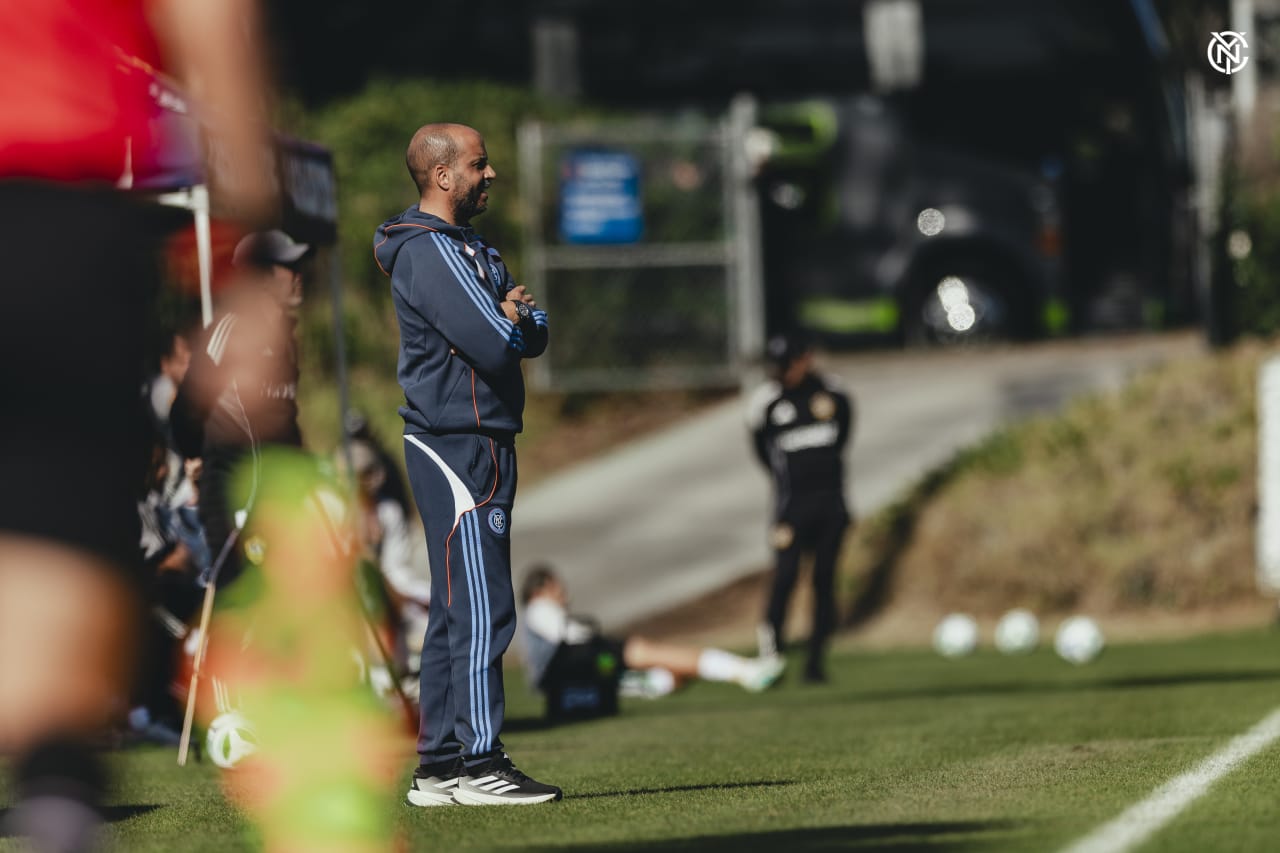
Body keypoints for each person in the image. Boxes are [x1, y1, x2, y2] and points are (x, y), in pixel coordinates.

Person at [0, 0, 274, 849]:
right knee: (63, 526)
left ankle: (56, 786)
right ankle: (57, 788)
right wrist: (244, 253)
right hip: (52, 207)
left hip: (52, 212)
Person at [374, 122, 558, 807]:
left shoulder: (473, 246)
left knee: (457, 610)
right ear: (443, 175)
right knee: (484, 605)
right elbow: (494, 337)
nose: (491, 174)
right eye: (479, 164)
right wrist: (511, 320)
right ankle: (481, 760)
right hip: (455, 439)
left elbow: (531, 330)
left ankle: (438, 767)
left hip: (480, 435)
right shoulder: (427, 250)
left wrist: (516, 321)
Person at [170, 229, 309, 589]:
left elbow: (286, 419)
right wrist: (195, 454)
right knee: (240, 602)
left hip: (278, 492)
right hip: (233, 492)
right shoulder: (228, 330)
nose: (299, 276)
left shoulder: (285, 337)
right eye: (288, 267)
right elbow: (188, 406)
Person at [747, 332, 854, 683]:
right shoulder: (766, 403)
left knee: (824, 581)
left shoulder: (833, 393)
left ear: (805, 359)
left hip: (830, 505)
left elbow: (844, 435)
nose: (783, 371)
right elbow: (762, 451)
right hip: (790, 508)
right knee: (786, 577)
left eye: (788, 363)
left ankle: (816, 662)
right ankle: (772, 652)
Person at [520, 565, 786, 699]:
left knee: (664, 677)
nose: (563, 590)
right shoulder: (539, 607)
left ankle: (733, 671)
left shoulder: (536, 612)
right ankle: (744, 672)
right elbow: (570, 635)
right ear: (541, 589)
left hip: (576, 671)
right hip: (579, 663)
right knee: (644, 651)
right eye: (557, 585)